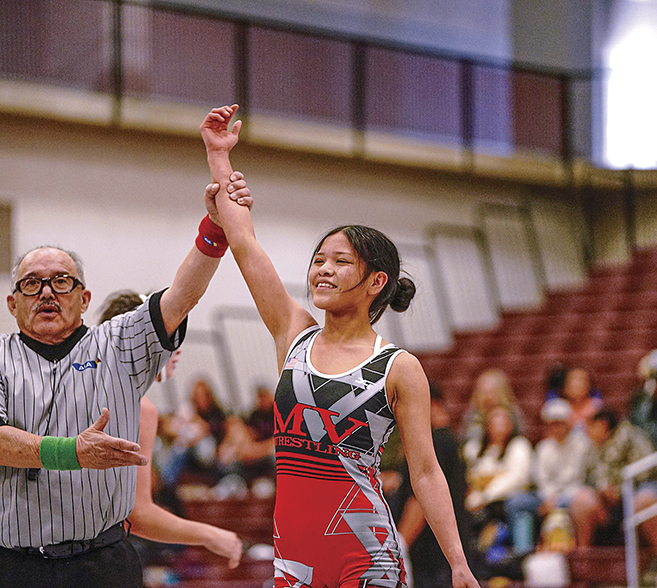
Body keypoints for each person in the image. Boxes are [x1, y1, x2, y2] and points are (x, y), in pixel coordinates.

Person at [202, 104, 480, 588]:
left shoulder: (397, 367)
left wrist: (458, 564)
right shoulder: (293, 333)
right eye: (318, 260)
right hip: (293, 562)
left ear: (376, 281)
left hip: (366, 557)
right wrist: (218, 155)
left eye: (340, 262)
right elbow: (243, 242)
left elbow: (427, 473)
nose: (322, 270)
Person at [0, 166, 250, 587]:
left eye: (61, 281)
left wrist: (214, 228)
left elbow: (183, 293)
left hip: (102, 563)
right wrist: (73, 452)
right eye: (31, 284)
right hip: (11, 566)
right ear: (11, 303)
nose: (47, 292)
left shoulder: (119, 343)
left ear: (84, 297)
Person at [97, 290, 242, 567]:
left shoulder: (77, 380)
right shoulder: (139, 408)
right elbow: (137, 515)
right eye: (168, 334)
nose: (178, 345)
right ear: (137, 340)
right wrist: (209, 534)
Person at [570, 407, 657, 577]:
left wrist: (618, 489)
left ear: (603, 425)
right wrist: (603, 489)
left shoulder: (632, 437)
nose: (588, 430)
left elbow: (646, 470)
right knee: (582, 499)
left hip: (646, 486)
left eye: (592, 426)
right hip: (612, 501)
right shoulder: (592, 446)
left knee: (643, 500)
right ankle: (584, 561)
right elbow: (587, 477)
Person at [392, 384, 475, 588]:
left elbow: (420, 502)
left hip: (435, 561)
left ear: (432, 405)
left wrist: (399, 548)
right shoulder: (446, 440)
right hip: (436, 558)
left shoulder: (438, 442)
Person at [506, 398, 589, 555]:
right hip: (547, 496)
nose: (556, 428)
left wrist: (556, 499)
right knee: (516, 502)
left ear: (568, 423)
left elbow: (580, 478)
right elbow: (542, 479)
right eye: (552, 424)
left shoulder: (582, 445)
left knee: (579, 498)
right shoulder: (544, 447)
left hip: (573, 495)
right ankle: (522, 555)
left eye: (559, 423)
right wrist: (549, 498)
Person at [462, 406, 533, 554]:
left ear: (510, 425)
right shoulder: (478, 449)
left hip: (507, 502)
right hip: (481, 505)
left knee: (519, 508)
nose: (498, 427)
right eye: (494, 423)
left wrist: (485, 495)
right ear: (487, 426)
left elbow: (516, 478)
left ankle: (521, 555)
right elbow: (470, 475)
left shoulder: (519, 445)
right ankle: (471, 555)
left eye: (502, 423)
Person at [459, 368, 525, 445]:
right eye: (484, 392)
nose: (488, 397)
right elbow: (465, 440)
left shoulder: (512, 415)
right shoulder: (473, 416)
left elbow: (518, 438)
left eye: (491, 392)